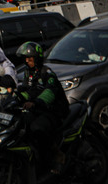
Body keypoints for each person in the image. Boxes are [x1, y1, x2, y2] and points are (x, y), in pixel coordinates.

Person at [14, 41, 68, 172]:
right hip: (38, 110)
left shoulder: (47, 73)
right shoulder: (29, 73)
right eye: (25, 59)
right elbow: (28, 90)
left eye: (30, 58)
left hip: (53, 111)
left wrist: (35, 102)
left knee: (37, 128)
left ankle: (56, 154)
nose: (27, 61)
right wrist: (14, 96)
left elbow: (50, 92)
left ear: (37, 58)